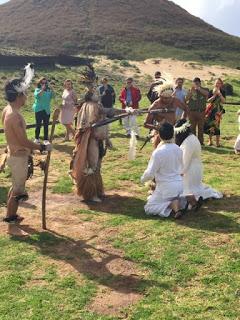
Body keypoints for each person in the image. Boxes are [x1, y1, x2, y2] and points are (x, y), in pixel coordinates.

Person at [2, 78, 52, 236]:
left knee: (16, 187)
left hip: (16, 154)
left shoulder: (7, 110)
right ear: (18, 96)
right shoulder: (14, 116)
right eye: (24, 94)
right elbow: (22, 140)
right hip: (17, 157)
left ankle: (13, 216)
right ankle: (11, 224)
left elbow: (13, 137)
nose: (26, 96)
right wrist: (42, 147)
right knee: (17, 190)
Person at [175, 119, 222, 209]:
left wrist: (177, 174)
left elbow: (185, 163)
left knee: (183, 190)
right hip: (195, 168)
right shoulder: (191, 137)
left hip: (190, 171)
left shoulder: (188, 142)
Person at [141, 122, 186, 219]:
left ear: (160, 136)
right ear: (173, 134)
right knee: (170, 197)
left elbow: (150, 173)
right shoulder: (179, 149)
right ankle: (184, 201)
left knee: (149, 208)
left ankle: (172, 205)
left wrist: (142, 179)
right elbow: (182, 169)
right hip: (180, 185)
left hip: (166, 188)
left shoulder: (158, 152)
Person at [144, 82, 188, 148]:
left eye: (169, 98)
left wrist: (182, 121)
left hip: (173, 130)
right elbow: (146, 124)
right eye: (164, 98)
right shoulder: (155, 105)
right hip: (161, 134)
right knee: (159, 151)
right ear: (160, 96)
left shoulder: (175, 100)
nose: (167, 100)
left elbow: (186, 109)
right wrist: (157, 128)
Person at [186, 77, 209, 145]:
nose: (196, 84)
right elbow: (186, 99)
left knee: (201, 128)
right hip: (192, 112)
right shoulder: (190, 90)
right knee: (192, 128)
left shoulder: (205, 89)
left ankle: (200, 142)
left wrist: (198, 88)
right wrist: (191, 91)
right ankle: (193, 142)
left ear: (200, 83)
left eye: (197, 83)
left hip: (201, 111)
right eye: (195, 83)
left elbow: (207, 94)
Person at [204, 78, 226, 147]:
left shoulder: (223, 91)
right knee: (210, 126)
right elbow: (208, 101)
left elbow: (223, 101)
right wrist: (214, 95)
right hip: (210, 111)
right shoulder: (211, 91)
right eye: (216, 83)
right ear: (214, 84)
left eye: (219, 83)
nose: (217, 84)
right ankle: (210, 141)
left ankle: (217, 142)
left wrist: (219, 94)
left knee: (217, 126)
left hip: (218, 112)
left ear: (221, 84)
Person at [33, 77, 54, 144]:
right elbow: (37, 96)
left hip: (46, 110)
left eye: (45, 83)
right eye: (42, 83)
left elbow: (52, 96)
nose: (44, 84)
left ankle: (45, 139)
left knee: (46, 125)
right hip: (39, 109)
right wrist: (42, 89)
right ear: (40, 83)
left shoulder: (48, 90)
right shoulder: (37, 89)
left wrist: (52, 89)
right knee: (38, 125)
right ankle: (36, 138)